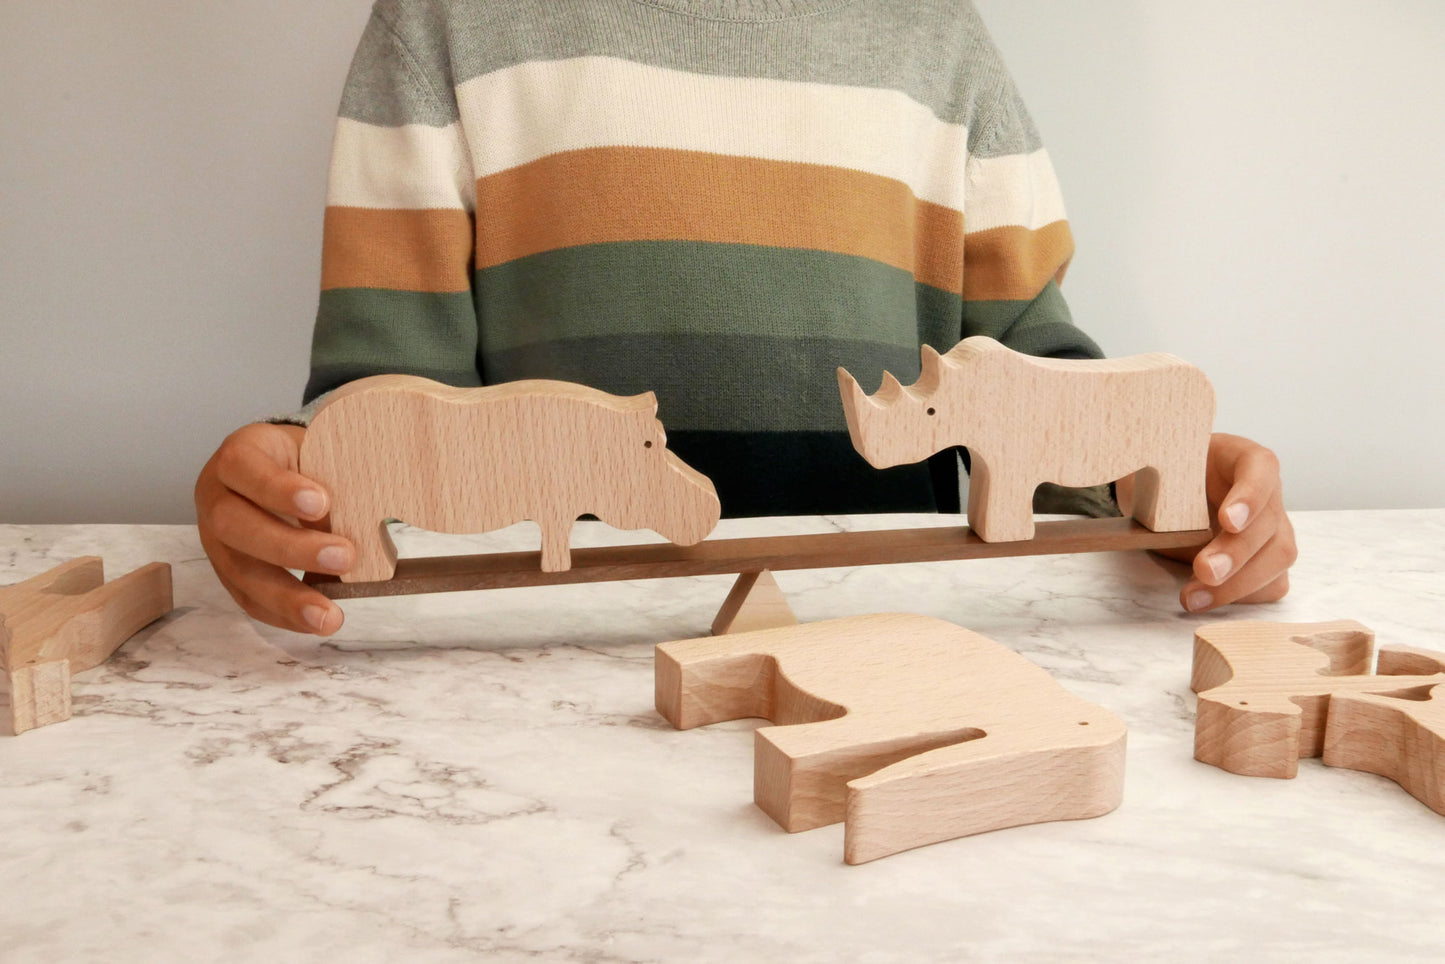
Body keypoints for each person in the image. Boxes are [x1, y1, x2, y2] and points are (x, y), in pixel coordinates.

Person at [195, 0, 1296, 636]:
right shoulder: (446, 23)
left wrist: (1171, 489)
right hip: (540, 658)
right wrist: (291, 489)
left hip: (892, 647)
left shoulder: (939, 43)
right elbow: (378, 413)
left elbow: (1040, 398)